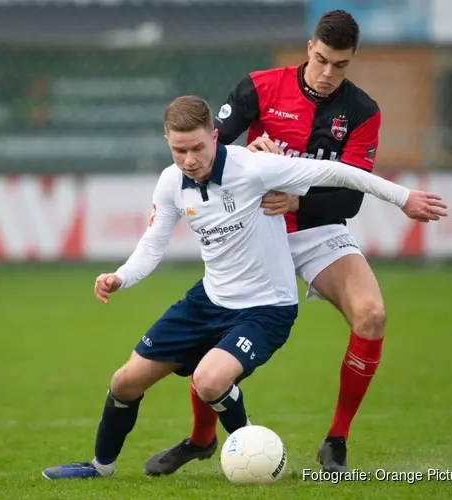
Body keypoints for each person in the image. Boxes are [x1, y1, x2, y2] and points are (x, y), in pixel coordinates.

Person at [41, 95, 447, 479]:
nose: (189, 160)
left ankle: (256, 455)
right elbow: (153, 242)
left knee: (211, 380)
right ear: (167, 142)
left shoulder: (252, 168)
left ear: (215, 135)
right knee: (124, 381)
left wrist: (404, 197)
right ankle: (99, 467)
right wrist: (121, 276)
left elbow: (337, 172)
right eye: (179, 150)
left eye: (197, 148)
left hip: (266, 309)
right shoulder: (170, 183)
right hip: (208, 300)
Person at [144, 8, 394, 476]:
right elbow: (210, 146)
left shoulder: (362, 112)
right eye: (321, 60)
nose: (327, 74)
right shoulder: (260, 87)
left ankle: (336, 441)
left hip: (316, 230)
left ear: (352, 60)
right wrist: (244, 155)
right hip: (255, 228)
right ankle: (201, 439)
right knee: (214, 331)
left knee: (372, 316)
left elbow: (351, 199)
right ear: (308, 49)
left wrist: (298, 203)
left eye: (340, 65)